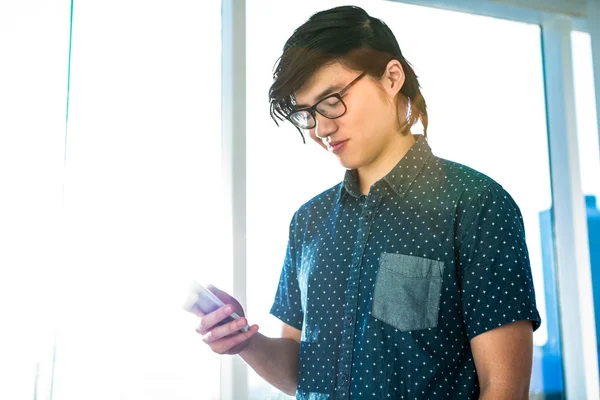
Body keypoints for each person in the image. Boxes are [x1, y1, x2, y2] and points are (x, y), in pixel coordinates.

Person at [195, 5, 541, 399]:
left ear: (392, 78)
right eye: (307, 114)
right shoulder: (308, 222)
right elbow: (301, 373)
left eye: (331, 100)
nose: (322, 128)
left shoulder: (476, 204)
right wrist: (245, 342)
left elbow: (505, 389)